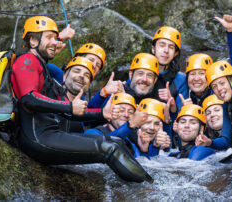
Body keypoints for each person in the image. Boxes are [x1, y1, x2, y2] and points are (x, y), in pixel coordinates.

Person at [11, 16, 153, 183]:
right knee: (110, 148)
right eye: (49, 37)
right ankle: (150, 189)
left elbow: (68, 114)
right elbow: (29, 99)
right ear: (33, 40)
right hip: (38, 138)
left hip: (48, 134)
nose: (54, 42)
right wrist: (70, 107)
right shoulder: (27, 61)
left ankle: (147, 183)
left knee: (115, 141)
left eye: (55, 38)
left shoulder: (41, 67)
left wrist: (102, 114)